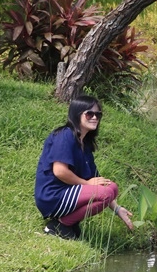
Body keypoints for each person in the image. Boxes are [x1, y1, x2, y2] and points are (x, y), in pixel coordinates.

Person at [35, 94, 133, 239]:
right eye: (89, 114)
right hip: (53, 196)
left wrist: (117, 209)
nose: (95, 118)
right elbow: (59, 171)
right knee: (106, 192)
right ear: (77, 115)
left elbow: (99, 181)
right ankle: (60, 225)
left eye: (98, 114)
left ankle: (66, 224)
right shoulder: (65, 135)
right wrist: (86, 183)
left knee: (112, 187)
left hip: (68, 192)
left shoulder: (84, 143)